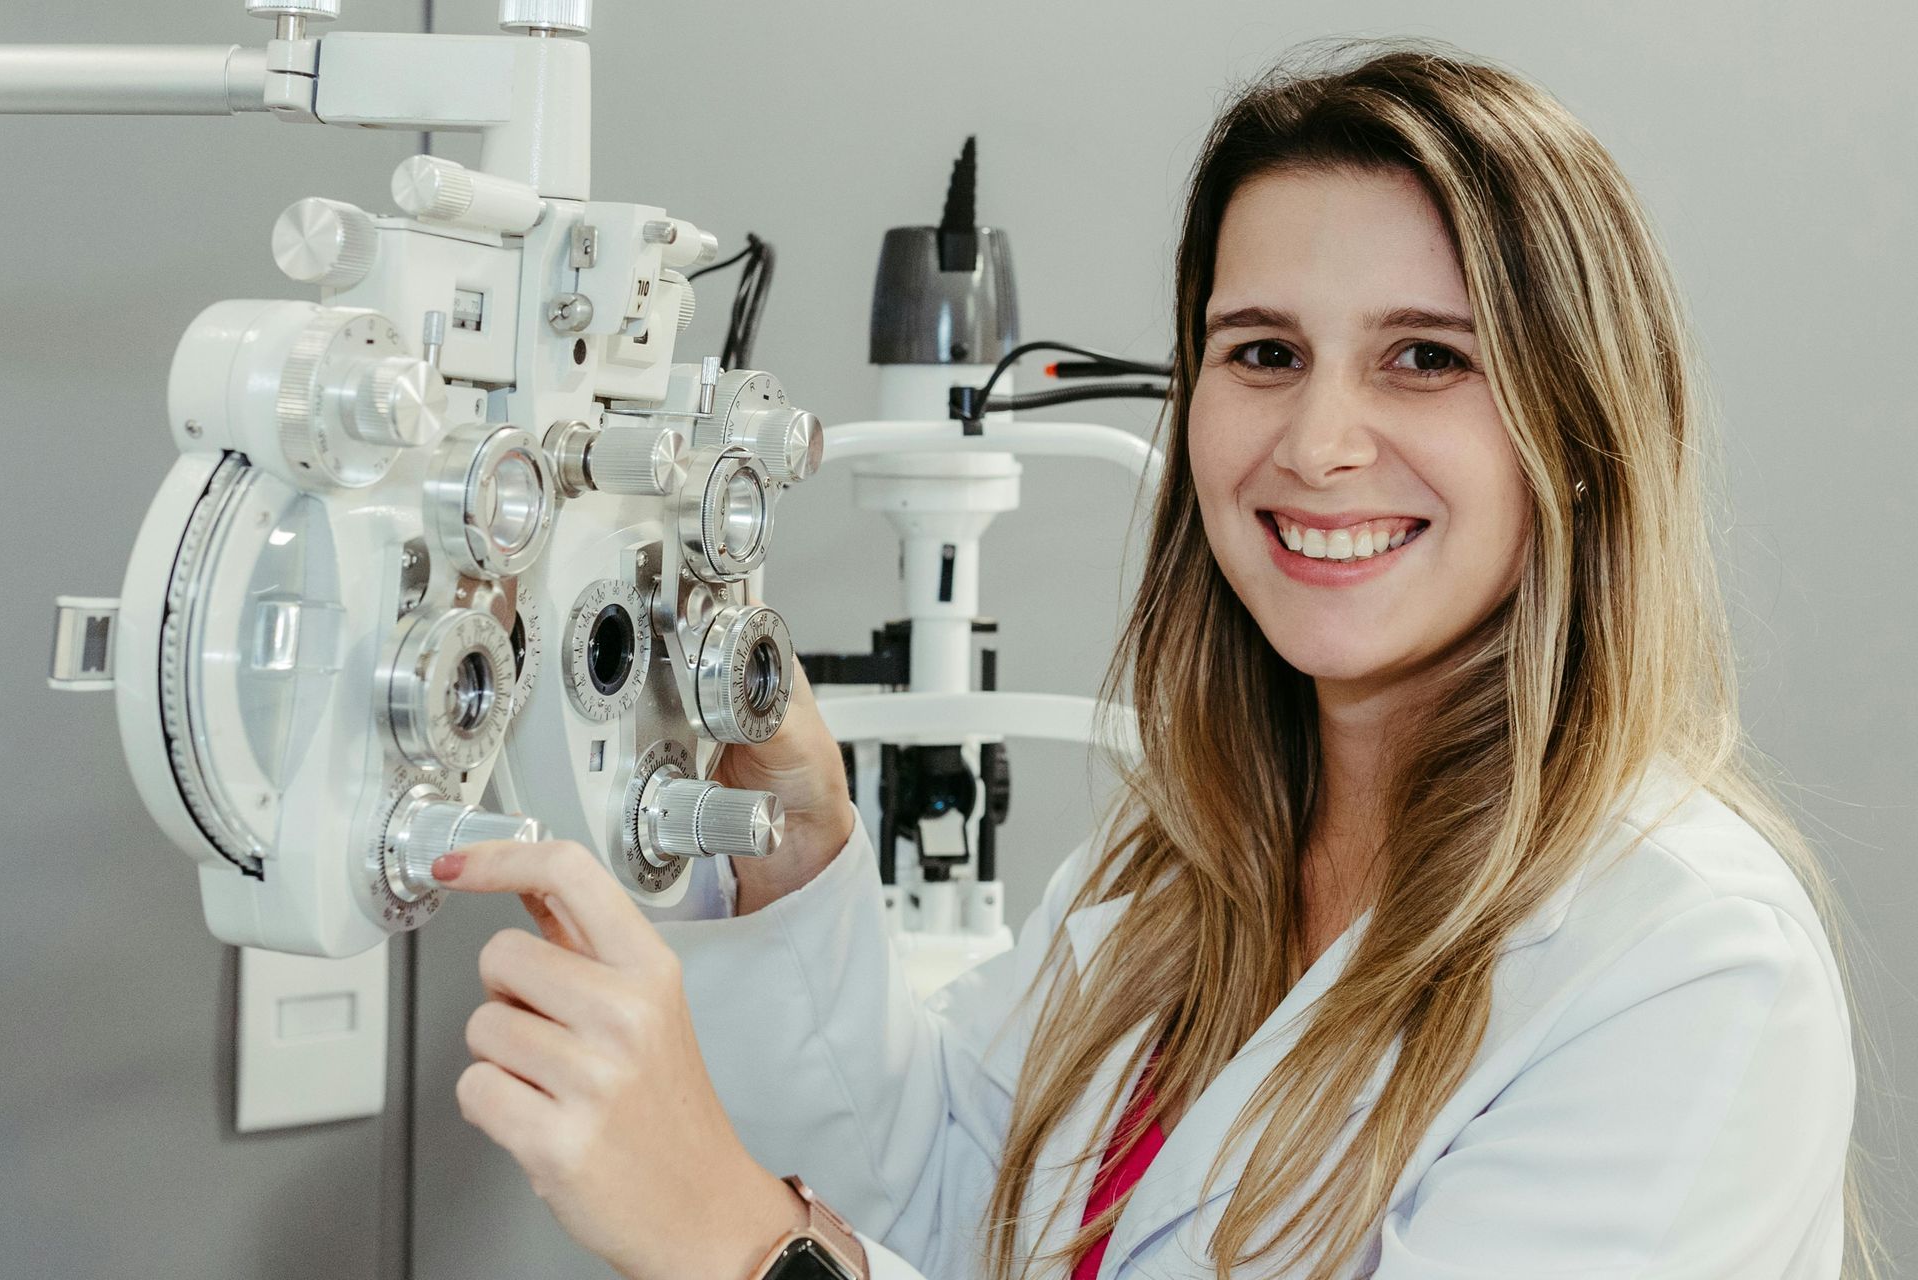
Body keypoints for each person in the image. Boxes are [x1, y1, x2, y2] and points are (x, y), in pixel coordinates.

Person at [429, 40, 1871, 1280]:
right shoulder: (1175, 872)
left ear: (1581, 429)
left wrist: (745, 1249)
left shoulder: (1682, 974)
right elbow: (951, 1197)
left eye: (1426, 357)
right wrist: (792, 867)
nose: (1317, 444)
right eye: (1262, 353)